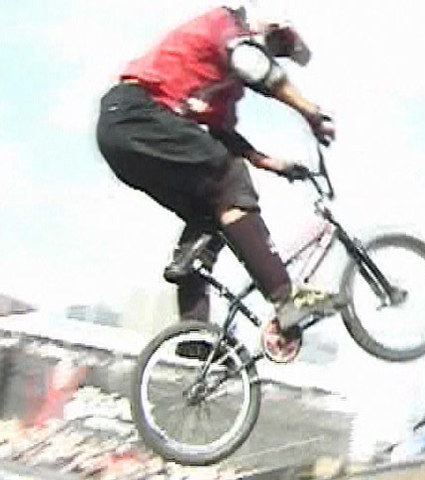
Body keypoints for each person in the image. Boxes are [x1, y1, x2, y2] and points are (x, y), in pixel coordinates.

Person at [96, 2, 344, 361]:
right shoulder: (224, 26)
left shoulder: (224, 87)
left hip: (127, 139)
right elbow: (258, 69)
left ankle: (193, 334)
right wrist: (311, 113)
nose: (274, 57)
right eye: (275, 47)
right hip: (136, 114)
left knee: (212, 216)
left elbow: (221, 134)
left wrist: (272, 164)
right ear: (264, 29)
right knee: (230, 179)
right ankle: (286, 297)